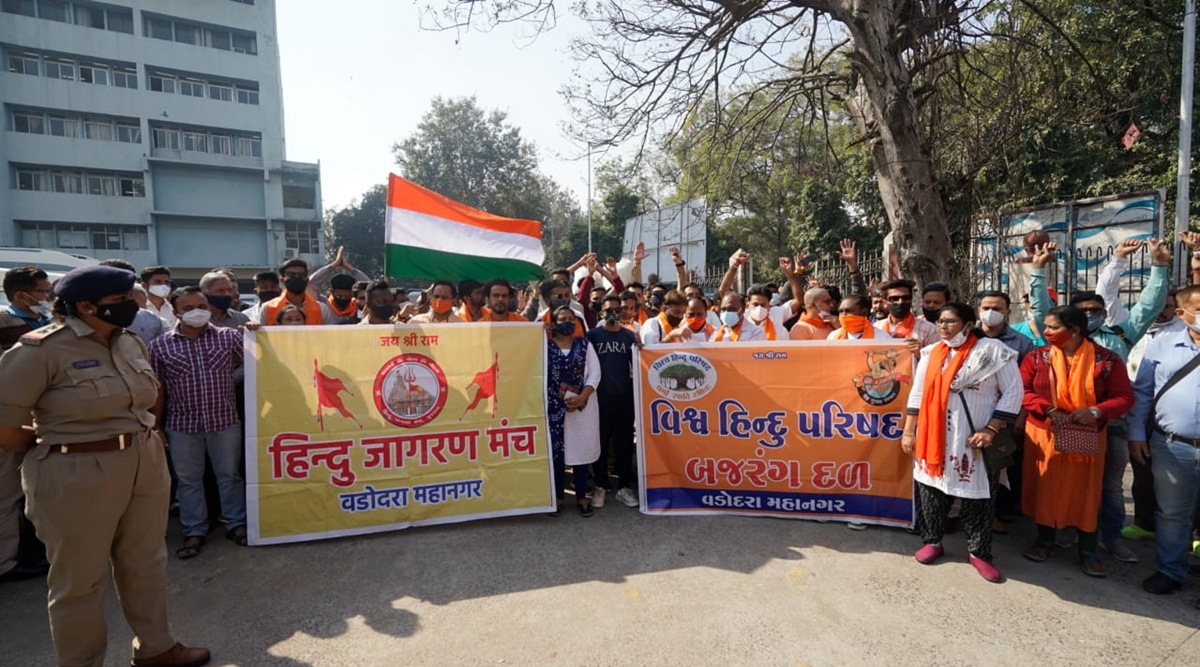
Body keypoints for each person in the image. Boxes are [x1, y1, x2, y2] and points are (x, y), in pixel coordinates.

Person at [0, 264, 210, 667]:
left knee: (146, 564)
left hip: (143, 461)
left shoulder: (128, 341)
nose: (133, 306)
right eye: (122, 301)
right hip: (74, 471)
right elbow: (7, 425)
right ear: (86, 306)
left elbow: (148, 396)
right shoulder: (40, 350)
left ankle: (157, 649)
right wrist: (57, 448)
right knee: (79, 582)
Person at [1039, 239, 1171, 564]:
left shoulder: (1120, 337)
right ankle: (1068, 530)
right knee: (1066, 481)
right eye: (1082, 313)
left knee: (1110, 487)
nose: (1089, 317)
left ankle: (1110, 538)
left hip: (1110, 425)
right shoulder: (1058, 342)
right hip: (1066, 423)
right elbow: (1040, 310)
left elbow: (1149, 306)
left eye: (1095, 311)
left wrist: (1159, 266)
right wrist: (1039, 272)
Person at [900, 303, 1022, 582]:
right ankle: (932, 541)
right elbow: (917, 393)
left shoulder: (992, 352)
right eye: (941, 321)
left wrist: (991, 429)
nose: (943, 326)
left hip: (972, 438)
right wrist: (909, 431)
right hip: (933, 437)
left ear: (968, 324)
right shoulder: (931, 353)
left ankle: (979, 552)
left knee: (976, 498)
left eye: (951, 321)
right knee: (930, 492)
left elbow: (1013, 393)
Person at [1019, 305, 1135, 578]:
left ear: (1074, 331)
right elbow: (1020, 390)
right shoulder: (1037, 358)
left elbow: (1124, 397)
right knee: (1045, 488)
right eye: (1046, 327)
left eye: (1053, 327)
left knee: (1087, 492)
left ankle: (1087, 550)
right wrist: (1048, 409)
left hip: (1088, 435)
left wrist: (1095, 411)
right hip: (1044, 431)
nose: (1046, 332)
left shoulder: (1106, 361)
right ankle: (1044, 541)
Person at [149, 288, 250, 560]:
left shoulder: (229, 338)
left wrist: (257, 333)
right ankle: (195, 529)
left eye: (202, 304)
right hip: (182, 425)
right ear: (175, 312)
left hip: (225, 421)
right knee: (188, 481)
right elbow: (158, 388)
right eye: (190, 306)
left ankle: (236, 523)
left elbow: (260, 362)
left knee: (229, 476)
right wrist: (156, 425)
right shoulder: (159, 346)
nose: (198, 310)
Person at [1129, 284, 1200, 603]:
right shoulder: (1162, 346)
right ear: (1183, 314)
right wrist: (1136, 434)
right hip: (1173, 446)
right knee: (1172, 512)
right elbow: (1142, 393)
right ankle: (1171, 571)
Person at [1121, 289, 1189, 543]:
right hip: (1145, 414)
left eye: (1168, 306)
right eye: (1158, 306)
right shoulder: (1135, 333)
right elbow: (1143, 389)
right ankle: (1146, 523)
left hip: (1179, 419)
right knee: (1144, 474)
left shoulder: (1181, 333)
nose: (1162, 311)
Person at [0, 266, 53, 585]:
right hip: (11, 419)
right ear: (22, 295)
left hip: (41, 418)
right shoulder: (4, 323)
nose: (48, 298)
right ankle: (6, 562)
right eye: (44, 292)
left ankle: (34, 548)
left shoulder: (44, 322)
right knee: (5, 495)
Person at [586, 295, 641, 509]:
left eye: (618, 310)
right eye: (609, 310)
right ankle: (601, 485)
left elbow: (638, 365)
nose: (614, 314)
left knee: (624, 444)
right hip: (599, 399)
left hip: (624, 399)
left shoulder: (629, 337)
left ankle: (624, 487)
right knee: (599, 442)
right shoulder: (593, 336)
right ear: (601, 313)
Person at [546, 307, 601, 517]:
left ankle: (581, 496)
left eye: (571, 319)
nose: (568, 322)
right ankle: (558, 497)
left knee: (581, 450)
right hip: (555, 408)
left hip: (583, 407)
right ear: (553, 323)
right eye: (562, 319)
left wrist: (582, 396)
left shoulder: (585, 345)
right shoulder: (546, 346)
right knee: (557, 452)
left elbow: (595, 374)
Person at [258, 259, 336, 326]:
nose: (296, 278)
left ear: (307, 280)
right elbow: (261, 340)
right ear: (282, 280)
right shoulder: (267, 308)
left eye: (301, 275)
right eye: (291, 275)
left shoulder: (322, 309)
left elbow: (330, 338)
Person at [877, 279, 939, 352]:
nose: (900, 302)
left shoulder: (929, 330)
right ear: (885, 302)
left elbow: (936, 360)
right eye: (894, 298)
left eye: (905, 298)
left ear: (911, 299)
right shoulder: (877, 328)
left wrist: (920, 355)